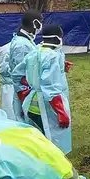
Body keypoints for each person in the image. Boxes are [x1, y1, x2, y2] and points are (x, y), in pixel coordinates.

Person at [19, 24, 72, 153]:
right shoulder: (52, 57)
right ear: (56, 39)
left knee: (36, 141)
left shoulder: (35, 52)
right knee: (51, 145)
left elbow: (18, 73)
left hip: (31, 103)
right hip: (46, 107)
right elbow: (50, 87)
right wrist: (61, 112)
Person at [0, 10, 42, 122]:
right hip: (21, 91)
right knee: (18, 121)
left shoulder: (26, 42)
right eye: (41, 22)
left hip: (24, 91)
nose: (42, 25)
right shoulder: (21, 45)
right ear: (35, 23)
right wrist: (24, 94)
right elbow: (20, 74)